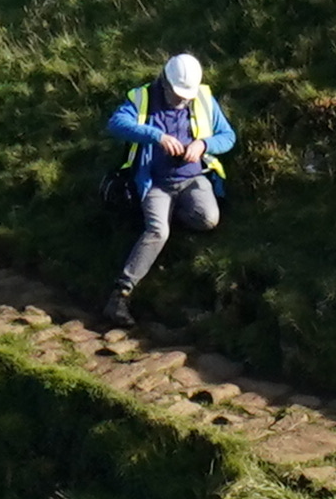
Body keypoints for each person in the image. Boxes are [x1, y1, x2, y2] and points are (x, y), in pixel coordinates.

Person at [101, 53, 236, 324]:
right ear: (165, 83)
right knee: (158, 231)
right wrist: (156, 136)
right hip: (156, 183)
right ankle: (121, 294)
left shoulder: (204, 98)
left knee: (208, 219)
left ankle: (170, 214)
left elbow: (228, 136)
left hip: (193, 178)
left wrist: (204, 145)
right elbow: (116, 123)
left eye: (188, 94)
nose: (184, 99)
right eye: (178, 94)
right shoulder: (143, 98)